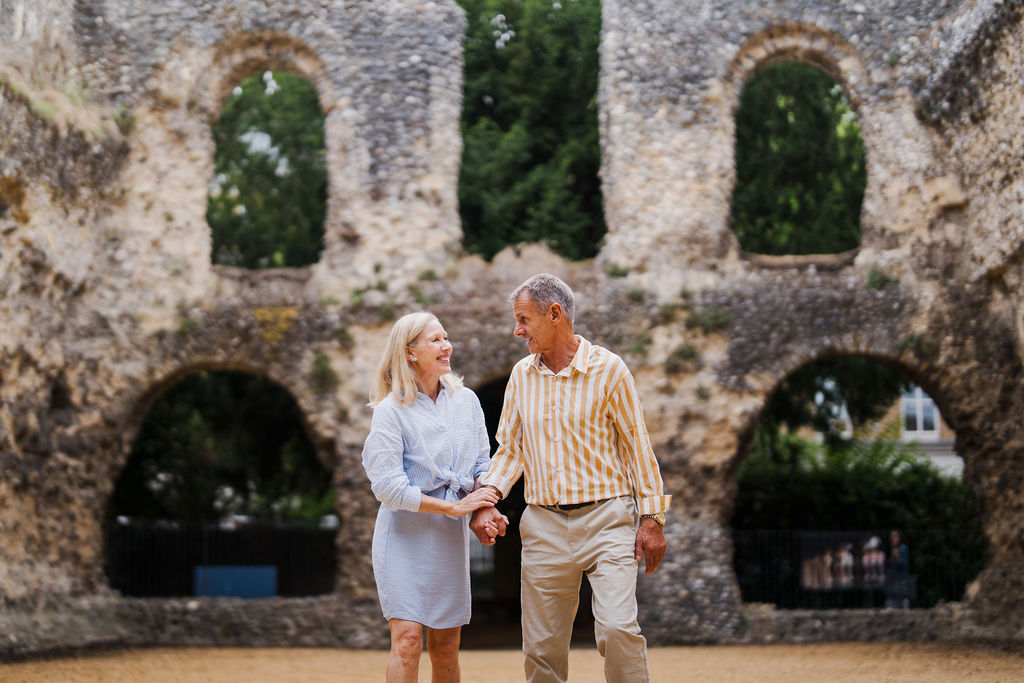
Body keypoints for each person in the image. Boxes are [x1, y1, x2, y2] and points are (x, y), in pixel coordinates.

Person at [470, 273, 671, 683]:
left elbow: (637, 445)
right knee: (542, 650)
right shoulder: (521, 376)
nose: (517, 330)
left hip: (607, 519)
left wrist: (652, 518)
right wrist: (488, 495)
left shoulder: (610, 369)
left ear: (555, 314)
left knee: (618, 630)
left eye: (524, 319)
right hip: (543, 525)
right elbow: (511, 450)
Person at [361, 312, 500, 683]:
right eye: (435, 340)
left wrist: (484, 507)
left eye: (446, 337)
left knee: (446, 645)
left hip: (446, 537)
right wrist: (454, 507)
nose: (446, 346)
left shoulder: (467, 401)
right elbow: (388, 487)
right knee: (407, 639)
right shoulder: (389, 412)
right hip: (403, 535)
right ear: (410, 352)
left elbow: (482, 466)